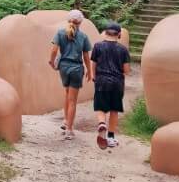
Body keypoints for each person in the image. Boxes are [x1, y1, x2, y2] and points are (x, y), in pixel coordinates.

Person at [49, 9, 92, 140]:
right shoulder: (83, 36)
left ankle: (65, 120)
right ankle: (69, 129)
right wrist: (90, 70)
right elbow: (85, 56)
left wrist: (51, 62)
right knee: (73, 100)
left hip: (63, 67)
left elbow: (54, 49)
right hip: (76, 68)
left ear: (68, 20)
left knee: (67, 94)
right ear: (80, 22)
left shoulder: (60, 33)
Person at [91, 21, 130, 149]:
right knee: (114, 110)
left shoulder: (97, 46)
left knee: (101, 107)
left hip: (101, 80)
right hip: (117, 83)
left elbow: (94, 64)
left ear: (105, 33)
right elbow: (126, 70)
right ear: (119, 35)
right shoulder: (123, 50)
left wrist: (93, 76)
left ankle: (102, 123)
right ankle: (111, 137)